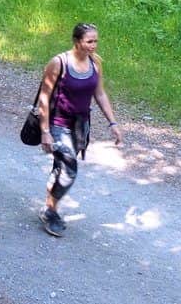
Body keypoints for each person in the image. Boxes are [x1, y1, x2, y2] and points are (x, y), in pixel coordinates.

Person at [35, 23, 123, 237]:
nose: (93, 45)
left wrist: (113, 123)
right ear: (77, 41)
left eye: (96, 41)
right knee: (69, 168)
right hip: (58, 123)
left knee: (62, 166)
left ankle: (49, 206)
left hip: (80, 124)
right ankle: (50, 211)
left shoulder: (95, 62)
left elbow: (99, 94)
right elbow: (44, 97)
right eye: (89, 41)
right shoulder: (59, 63)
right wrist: (45, 131)